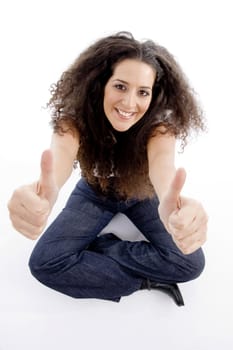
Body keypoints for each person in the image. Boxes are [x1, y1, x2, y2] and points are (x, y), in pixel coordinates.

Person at [8, 31, 208, 306]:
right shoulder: (75, 119)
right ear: (102, 83)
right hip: (95, 193)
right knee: (45, 263)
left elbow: (162, 166)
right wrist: (48, 190)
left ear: (153, 95)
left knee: (190, 264)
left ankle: (103, 246)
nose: (129, 103)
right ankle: (142, 282)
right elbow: (62, 153)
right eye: (120, 86)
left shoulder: (160, 126)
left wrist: (168, 200)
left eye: (143, 92)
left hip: (142, 194)